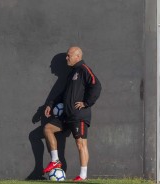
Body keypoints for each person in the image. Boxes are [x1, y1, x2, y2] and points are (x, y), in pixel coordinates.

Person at [43, 46, 102, 181]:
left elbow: (96, 85)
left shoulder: (84, 69)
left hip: (78, 116)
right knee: (47, 129)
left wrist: (86, 103)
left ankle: (83, 175)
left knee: (81, 144)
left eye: (69, 55)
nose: (66, 58)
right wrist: (50, 105)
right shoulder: (72, 73)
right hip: (66, 115)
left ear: (77, 56)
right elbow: (64, 93)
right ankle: (55, 160)